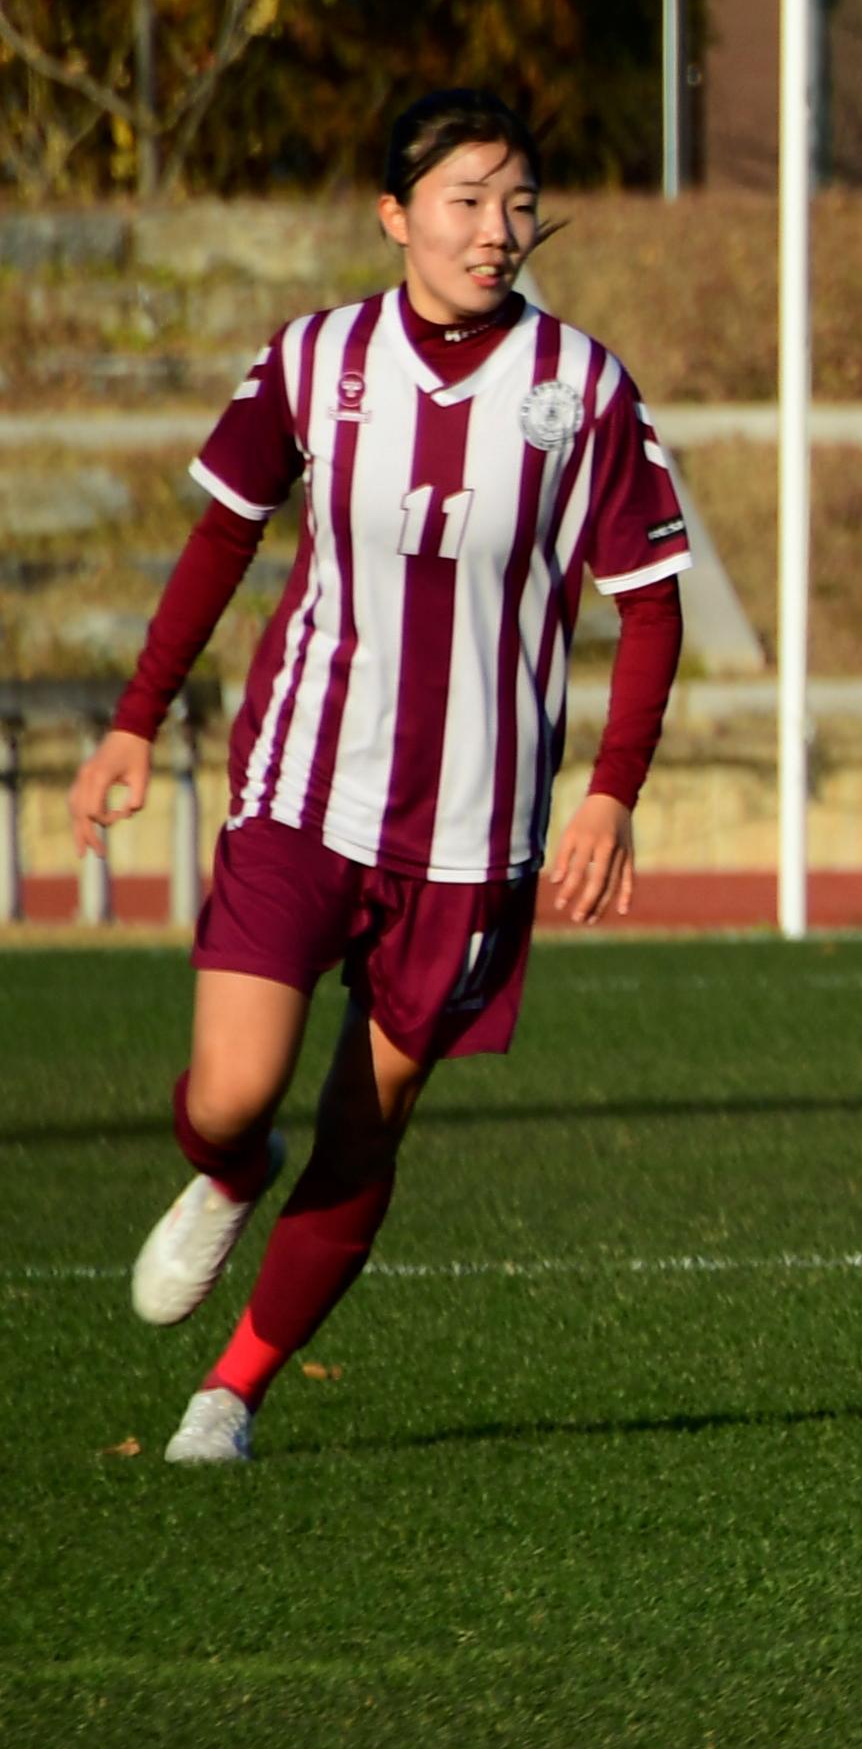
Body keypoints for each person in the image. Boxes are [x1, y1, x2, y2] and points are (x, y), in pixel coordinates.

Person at [99, 88, 693, 1465]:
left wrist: (612, 791)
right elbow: (223, 536)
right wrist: (137, 716)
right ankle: (229, 1173)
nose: (498, 232)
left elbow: (650, 605)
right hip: (306, 787)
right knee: (239, 1093)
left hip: (475, 838)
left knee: (366, 1129)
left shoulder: (582, 389)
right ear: (397, 217)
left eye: (519, 202)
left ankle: (229, 1395)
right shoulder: (315, 360)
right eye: (467, 202)